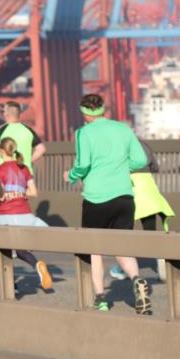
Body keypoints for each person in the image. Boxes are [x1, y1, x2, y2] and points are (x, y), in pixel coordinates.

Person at [66, 94, 152, 315]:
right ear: (104, 109)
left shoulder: (83, 133)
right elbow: (142, 160)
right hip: (124, 197)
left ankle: (101, 298)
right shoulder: (123, 129)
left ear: (84, 112)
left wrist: (71, 175)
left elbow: (83, 164)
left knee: (95, 251)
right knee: (122, 247)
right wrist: (123, 166)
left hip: (96, 199)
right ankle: (137, 279)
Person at [109, 137, 175, 281]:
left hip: (130, 190)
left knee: (124, 232)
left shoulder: (120, 145)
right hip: (149, 190)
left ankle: (123, 269)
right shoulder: (145, 146)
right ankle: (163, 269)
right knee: (151, 233)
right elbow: (155, 167)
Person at [0, 137, 52, 292]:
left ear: (1, 151)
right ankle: (35, 266)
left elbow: (0, 196)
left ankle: (10, 285)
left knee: (5, 251)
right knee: (19, 250)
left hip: (7, 215)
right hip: (26, 214)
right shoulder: (24, 168)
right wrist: (19, 192)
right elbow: (33, 192)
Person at [0, 100, 46, 171]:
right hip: (25, 174)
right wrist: (28, 162)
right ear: (19, 114)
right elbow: (41, 149)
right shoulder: (28, 130)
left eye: (3, 111)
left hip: (5, 175)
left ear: (6, 114)